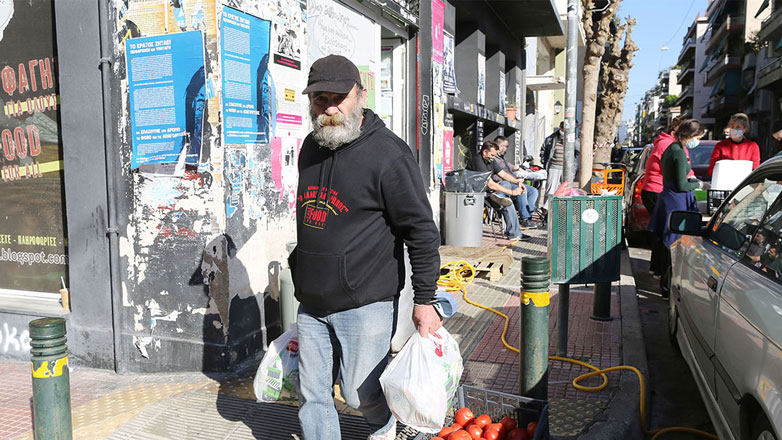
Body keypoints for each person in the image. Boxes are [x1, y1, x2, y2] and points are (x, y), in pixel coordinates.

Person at [293, 54, 442, 440]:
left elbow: (421, 230)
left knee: (361, 396)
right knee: (312, 395)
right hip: (311, 300)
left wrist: (425, 300)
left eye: (338, 97)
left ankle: (389, 430)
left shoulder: (389, 155)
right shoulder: (310, 147)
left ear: (360, 94)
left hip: (365, 302)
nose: (329, 107)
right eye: (319, 98)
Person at [648, 119, 706, 297]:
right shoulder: (679, 152)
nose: (698, 141)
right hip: (677, 200)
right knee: (674, 244)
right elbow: (681, 184)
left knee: (667, 241)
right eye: (698, 137)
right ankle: (667, 286)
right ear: (690, 136)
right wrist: (697, 185)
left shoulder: (671, 148)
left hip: (669, 198)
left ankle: (664, 283)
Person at [641, 117, 695, 275]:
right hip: (658, 190)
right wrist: (695, 182)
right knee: (666, 233)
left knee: (661, 232)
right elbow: (677, 173)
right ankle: (662, 270)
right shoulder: (670, 146)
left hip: (658, 189)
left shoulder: (669, 145)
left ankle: (657, 268)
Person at [467, 140, 525, 240]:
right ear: (485, 152)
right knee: (507, 201)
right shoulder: (478, 161)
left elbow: (503, 174)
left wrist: (517, 182)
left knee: (506, 190)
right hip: (478, 193)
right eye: (492, 155)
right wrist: (512, 192)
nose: (493, 157)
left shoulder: (491, 160)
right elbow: (490, 184)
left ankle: (500, 196)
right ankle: (515, 234)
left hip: (489, 191)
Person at [493, 136, 539, 227]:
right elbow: (501, 175)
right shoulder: (494, 159)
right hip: (503, 184)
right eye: (506, 146)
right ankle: (524, 218)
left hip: (513, 181)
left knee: (533, 191)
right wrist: (517, 181)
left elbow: (511, 166)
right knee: (521, 190)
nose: (506, 149)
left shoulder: (501, 158)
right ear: (500, 146)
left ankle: (528, 215)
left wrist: (525, 171)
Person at [540, 121, 579, 209]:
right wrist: (544, 161)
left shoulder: (573, 138)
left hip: (568, 168)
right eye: (563, 128)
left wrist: (571, 138)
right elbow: (543, 150)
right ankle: (547, 210)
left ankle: (564, 209)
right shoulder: (551, 138)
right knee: (551, 189)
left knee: (567, 190)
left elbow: (578, 149)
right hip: (554, 167)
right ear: (560, 128)